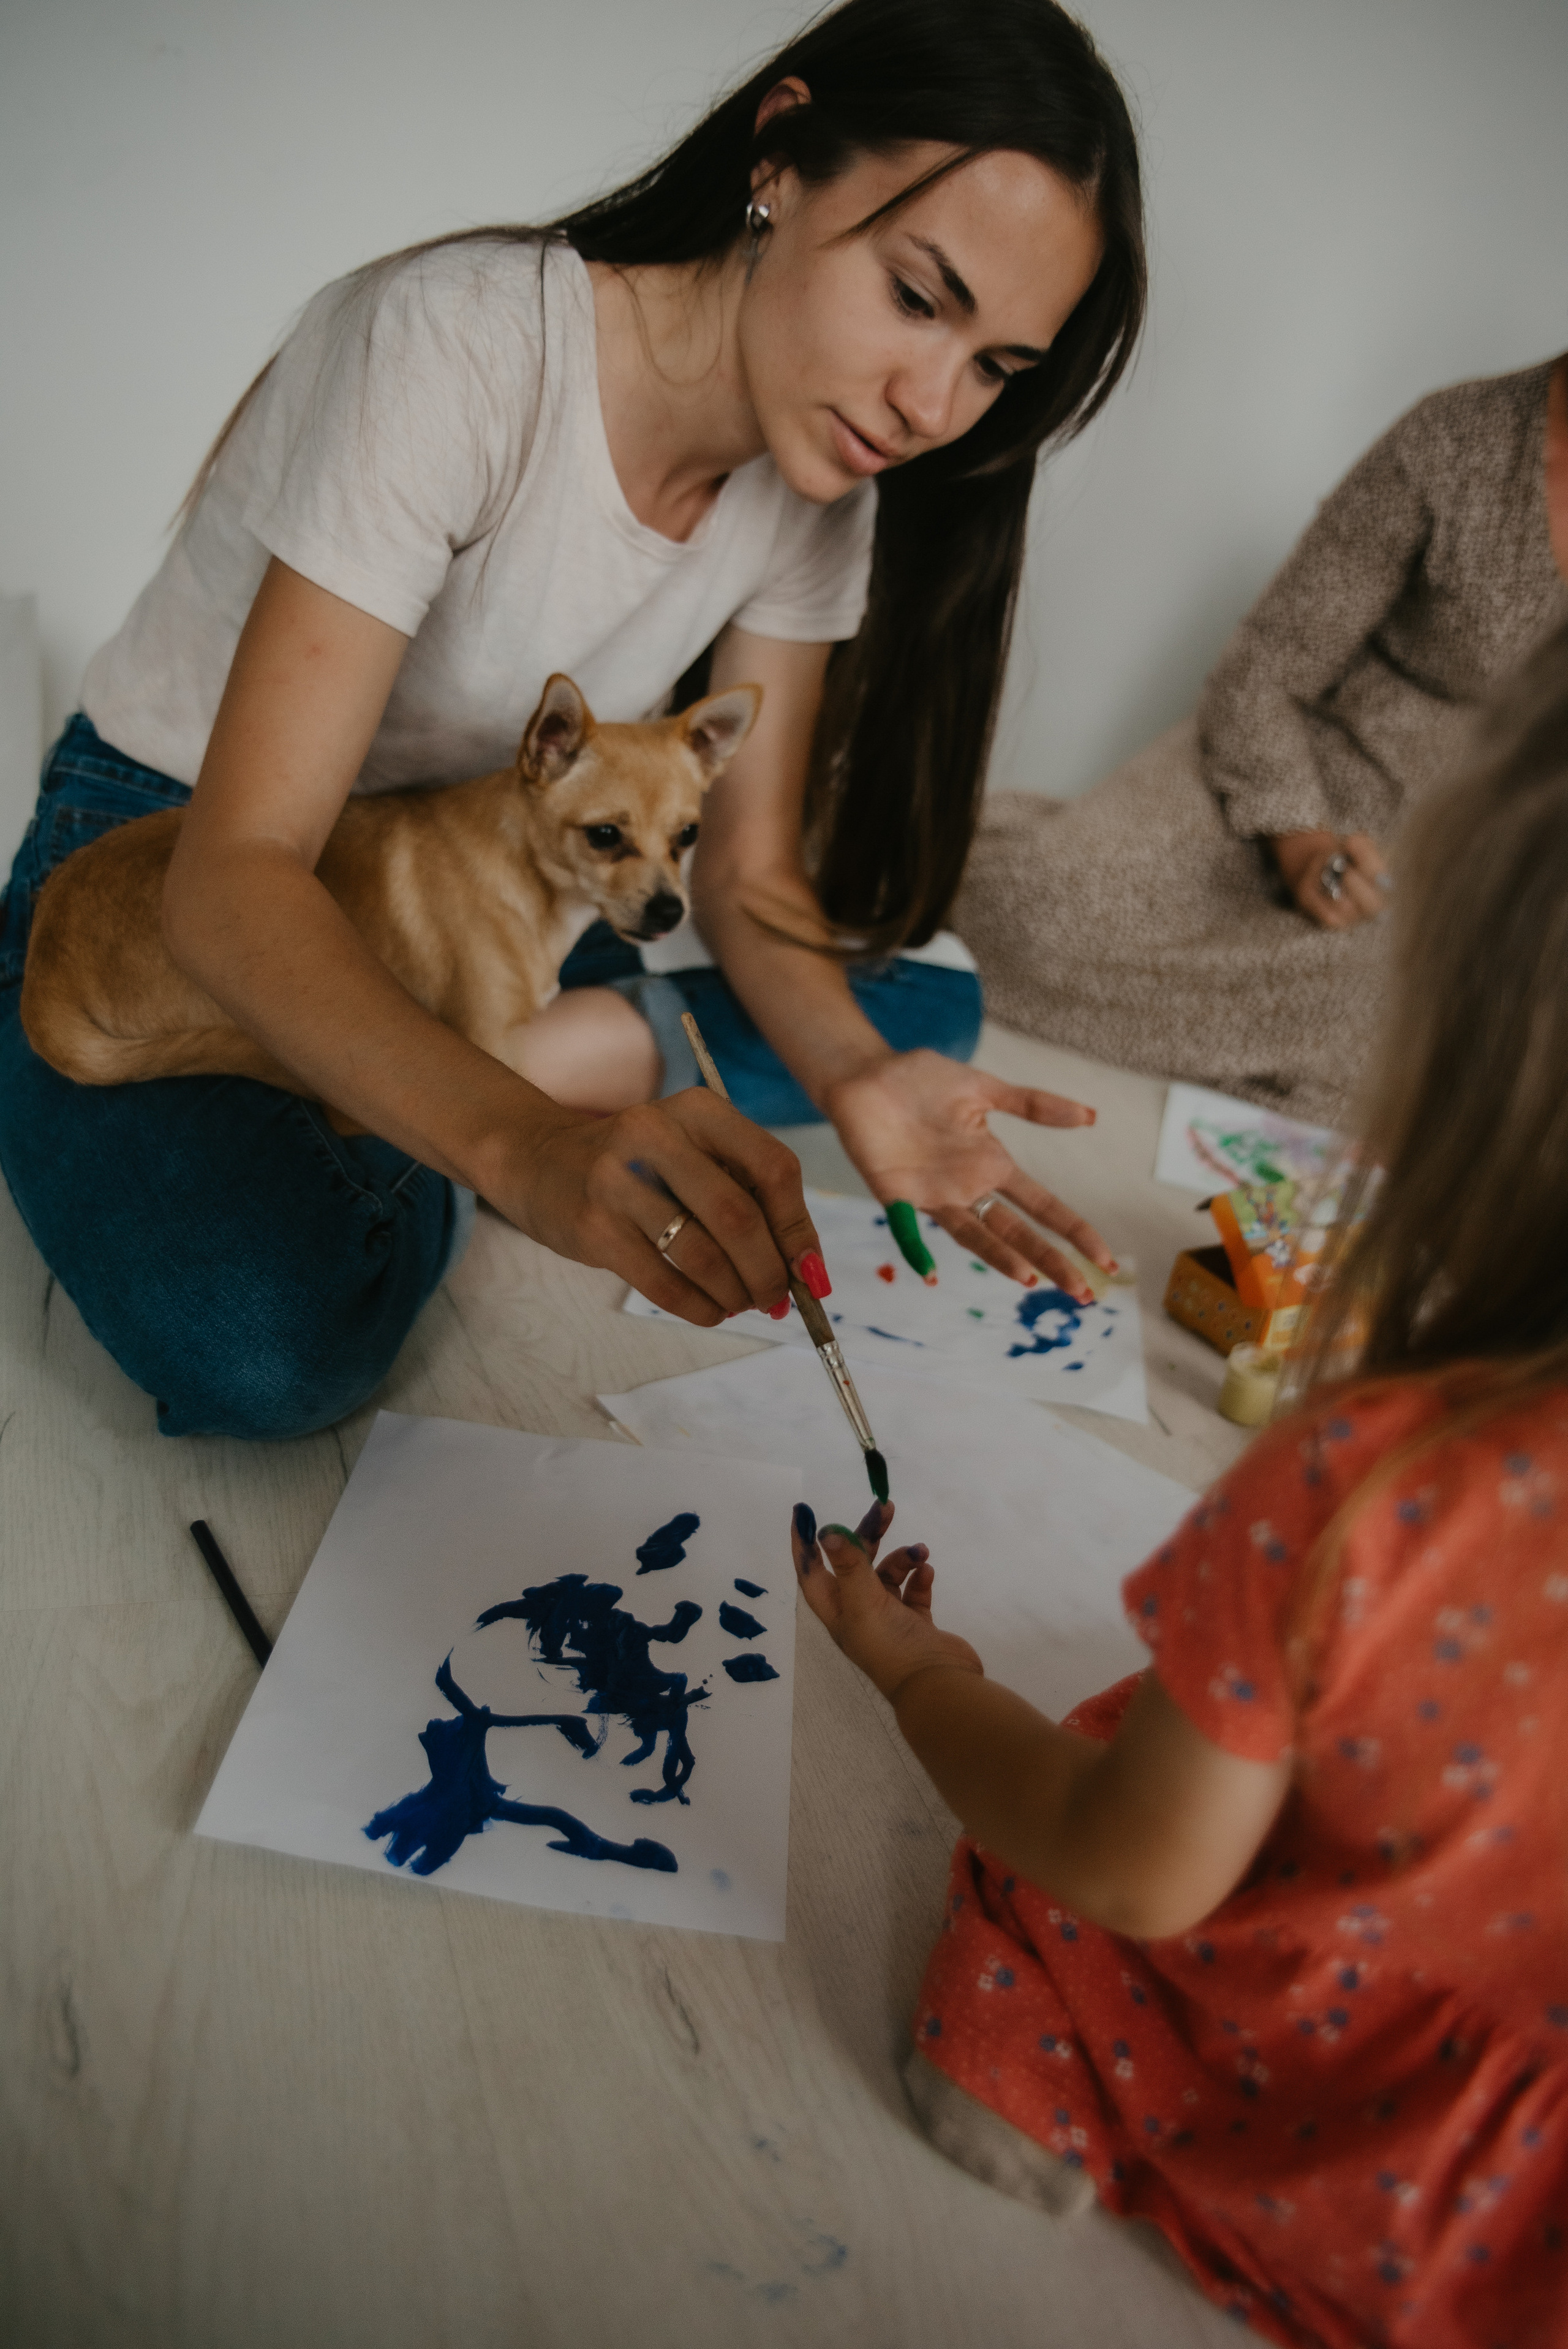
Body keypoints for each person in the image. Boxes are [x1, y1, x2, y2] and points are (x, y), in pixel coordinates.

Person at [0, 0, 1147, 1443]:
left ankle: (551, 1043)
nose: (930, 404)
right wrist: (524, 1148)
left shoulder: (820, 486)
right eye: (918, 297)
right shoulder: (462, 344)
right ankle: (522, 1068)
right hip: (181, 856)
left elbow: (739, 875)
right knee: (266, 1336)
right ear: (779, 154)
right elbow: (235, 877)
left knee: (924, 1017)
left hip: (507, 863)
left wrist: (855, 1075)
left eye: (995, 367)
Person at [790, 620, 1568, 2347]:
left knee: (1070, 1799)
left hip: (1350, 2166)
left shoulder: (1366, 1489)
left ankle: (1033, 2088)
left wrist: (926, 1678)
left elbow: (1131, 1872)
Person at [954, 352, 1568, 1129]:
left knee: (1417, 1010)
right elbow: (1265, 670)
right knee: (1028, 914)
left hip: (1481, 868)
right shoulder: (1455, 439)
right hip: (1292, 778)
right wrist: (1302, 839)